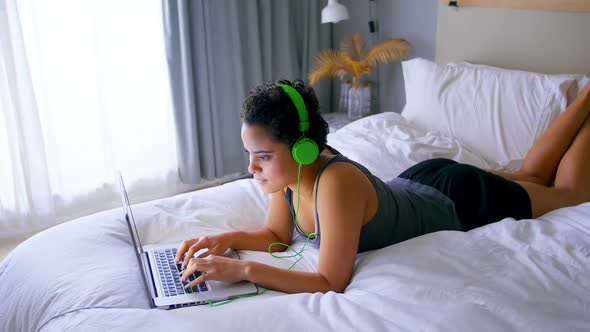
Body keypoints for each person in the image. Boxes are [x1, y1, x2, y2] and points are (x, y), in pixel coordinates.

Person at [176, 79, 590, 294]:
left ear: (302, 149)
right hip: (421, 180)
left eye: (263, 156)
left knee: (569, 196)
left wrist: (243, 268)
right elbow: (276, 236)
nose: (252, 168)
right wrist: (222, 239)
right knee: (534, 179)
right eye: (250, 154)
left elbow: (330, 281)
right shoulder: (290, 177)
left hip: (458, 198)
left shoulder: (333, 181)